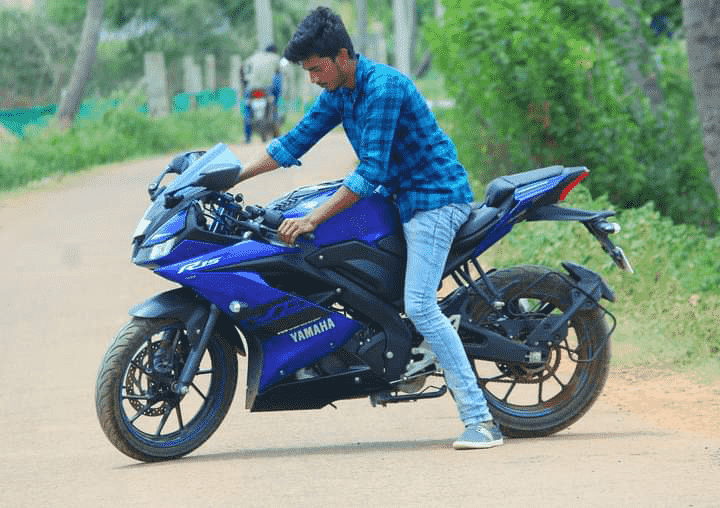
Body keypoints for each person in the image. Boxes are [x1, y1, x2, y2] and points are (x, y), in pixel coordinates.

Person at [235, 6, 503, 450]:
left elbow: (370, 171)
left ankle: (481, 420)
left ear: (342, 56)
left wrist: (313, 218)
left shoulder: (382, 88)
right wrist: (231, 178)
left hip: (434, 199)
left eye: (317, 69)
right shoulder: (340, 92)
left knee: (420, 305)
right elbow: (292, 143)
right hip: (397, 199)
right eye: (307, 71)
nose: (313, 79)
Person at [242, 44, 282, 142]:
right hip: (266, 87)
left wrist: (245, 84)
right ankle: (275, 129)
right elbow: (278, 74)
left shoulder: (253, 57)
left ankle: (247, 137)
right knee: (273, 105)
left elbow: (243, 69)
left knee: (247, 108)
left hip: (251, 87)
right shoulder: (275, 57)